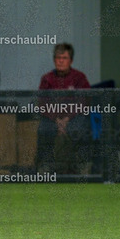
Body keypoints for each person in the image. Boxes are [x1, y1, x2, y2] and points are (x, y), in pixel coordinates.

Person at [37, 43, 91, 173]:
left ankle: (82, 166)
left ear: (71, 61)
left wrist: (66, 119)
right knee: (44, 128)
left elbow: (84, 101)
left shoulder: (80, 78)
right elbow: (42, 103)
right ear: (54, 60)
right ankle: (45, 166)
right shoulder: (46, 79)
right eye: (58, 58)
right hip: (52, 119)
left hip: (74, 117)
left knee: (80, 127)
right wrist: (56, 120)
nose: (60, 61)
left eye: (64, 58)